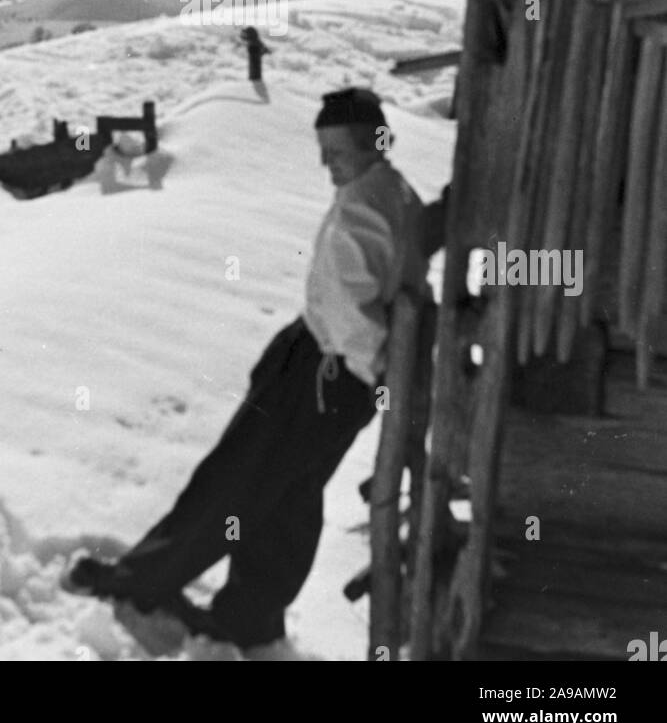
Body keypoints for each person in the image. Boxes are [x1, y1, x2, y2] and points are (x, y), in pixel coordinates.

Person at [65, 87, 429, 648]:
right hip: (336, 373)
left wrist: (358, 371)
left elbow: (356, 315)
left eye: (337, 150)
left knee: (236, 479)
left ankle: (144, 583)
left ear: (374, 143)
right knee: (288, 497)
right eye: (323, 149)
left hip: (327, 371)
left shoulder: (365, 206)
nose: (326, 163)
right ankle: (250, 614)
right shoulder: (390, 191)